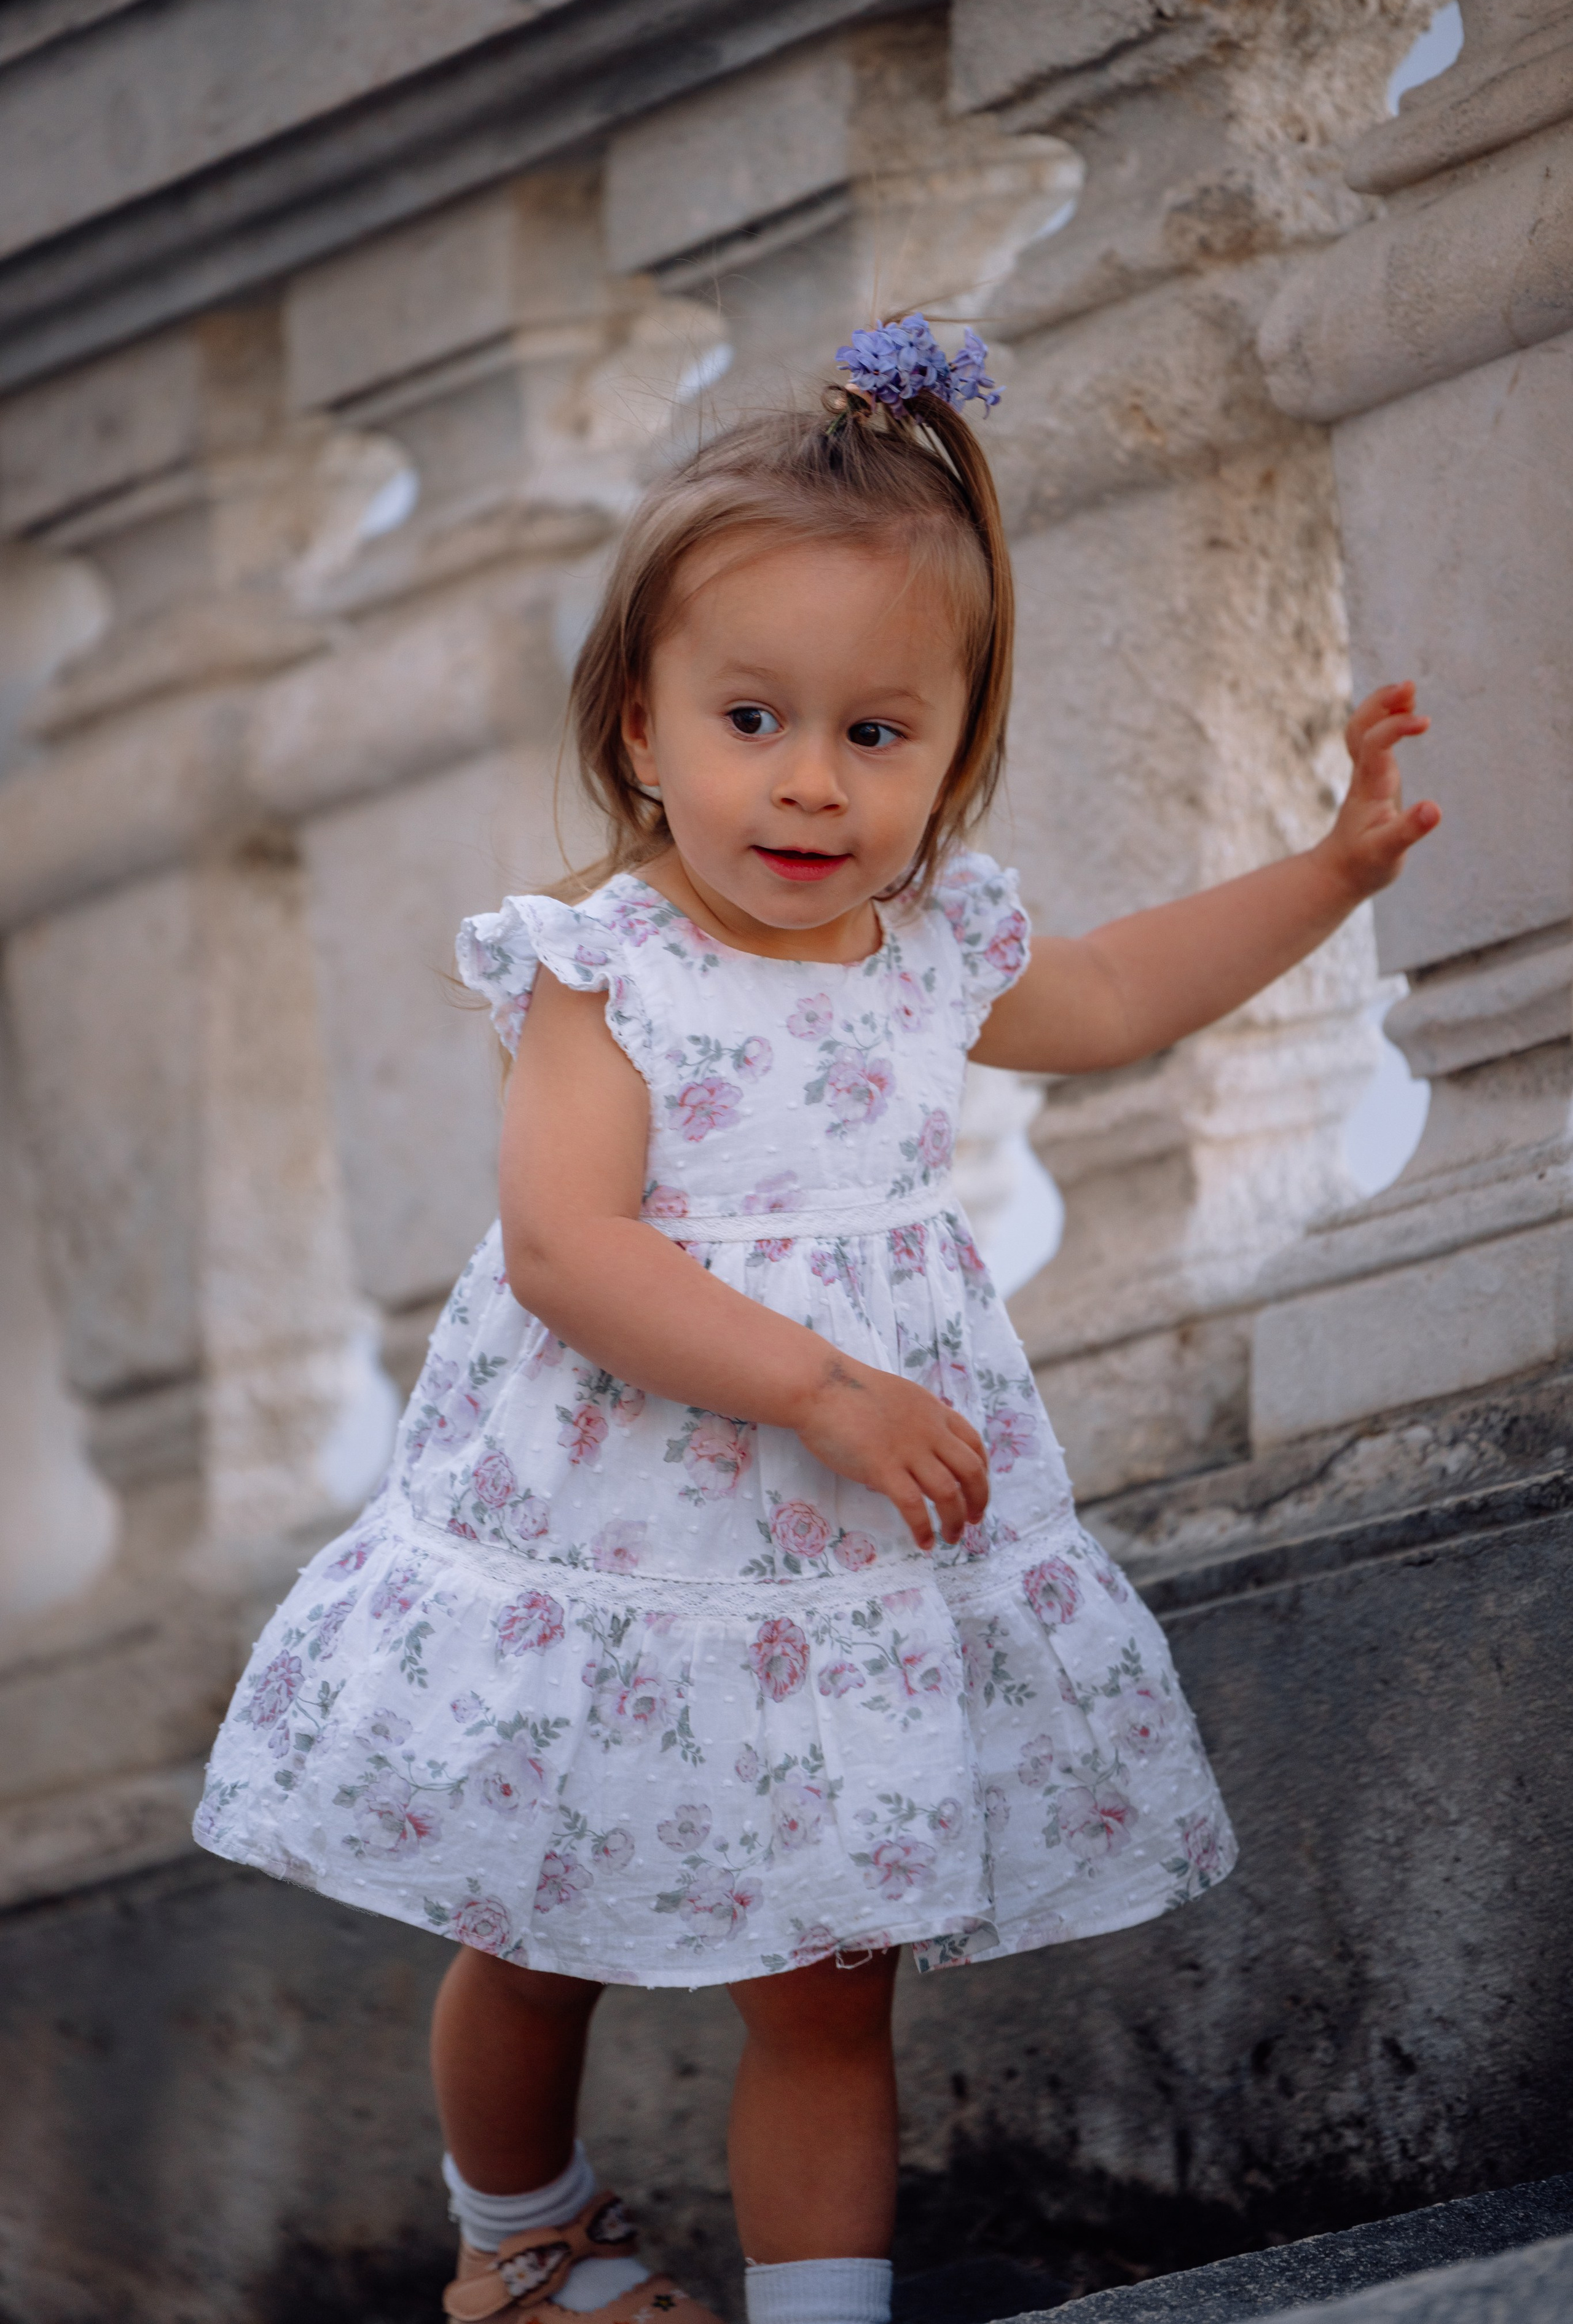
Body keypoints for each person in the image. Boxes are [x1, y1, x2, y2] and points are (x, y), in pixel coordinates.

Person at [194, 315, 1436, 2324]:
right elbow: (569, 1252)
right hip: (616, 1533)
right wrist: (819, 1386)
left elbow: (1115, 999)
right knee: (536, 1922)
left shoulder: (928, 946)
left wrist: (1330, 866)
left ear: (952, 753)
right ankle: (520, 2240)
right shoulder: (608, 976)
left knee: (835, 1968)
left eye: (877, 733)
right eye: (751, 717)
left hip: (844, 1566)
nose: (808, 781)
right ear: (639, 733)